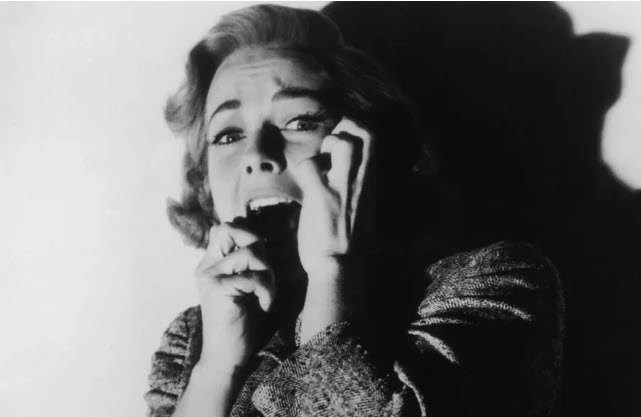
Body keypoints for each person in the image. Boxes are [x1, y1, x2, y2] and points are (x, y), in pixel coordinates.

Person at [146, 4, 564, 417]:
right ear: (205, 179)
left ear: (368, 148)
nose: (256, 155)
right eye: (228, 135)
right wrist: (216, 370)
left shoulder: (500, 283)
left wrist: (332, 270)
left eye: (299, 121)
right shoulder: (190, 342)